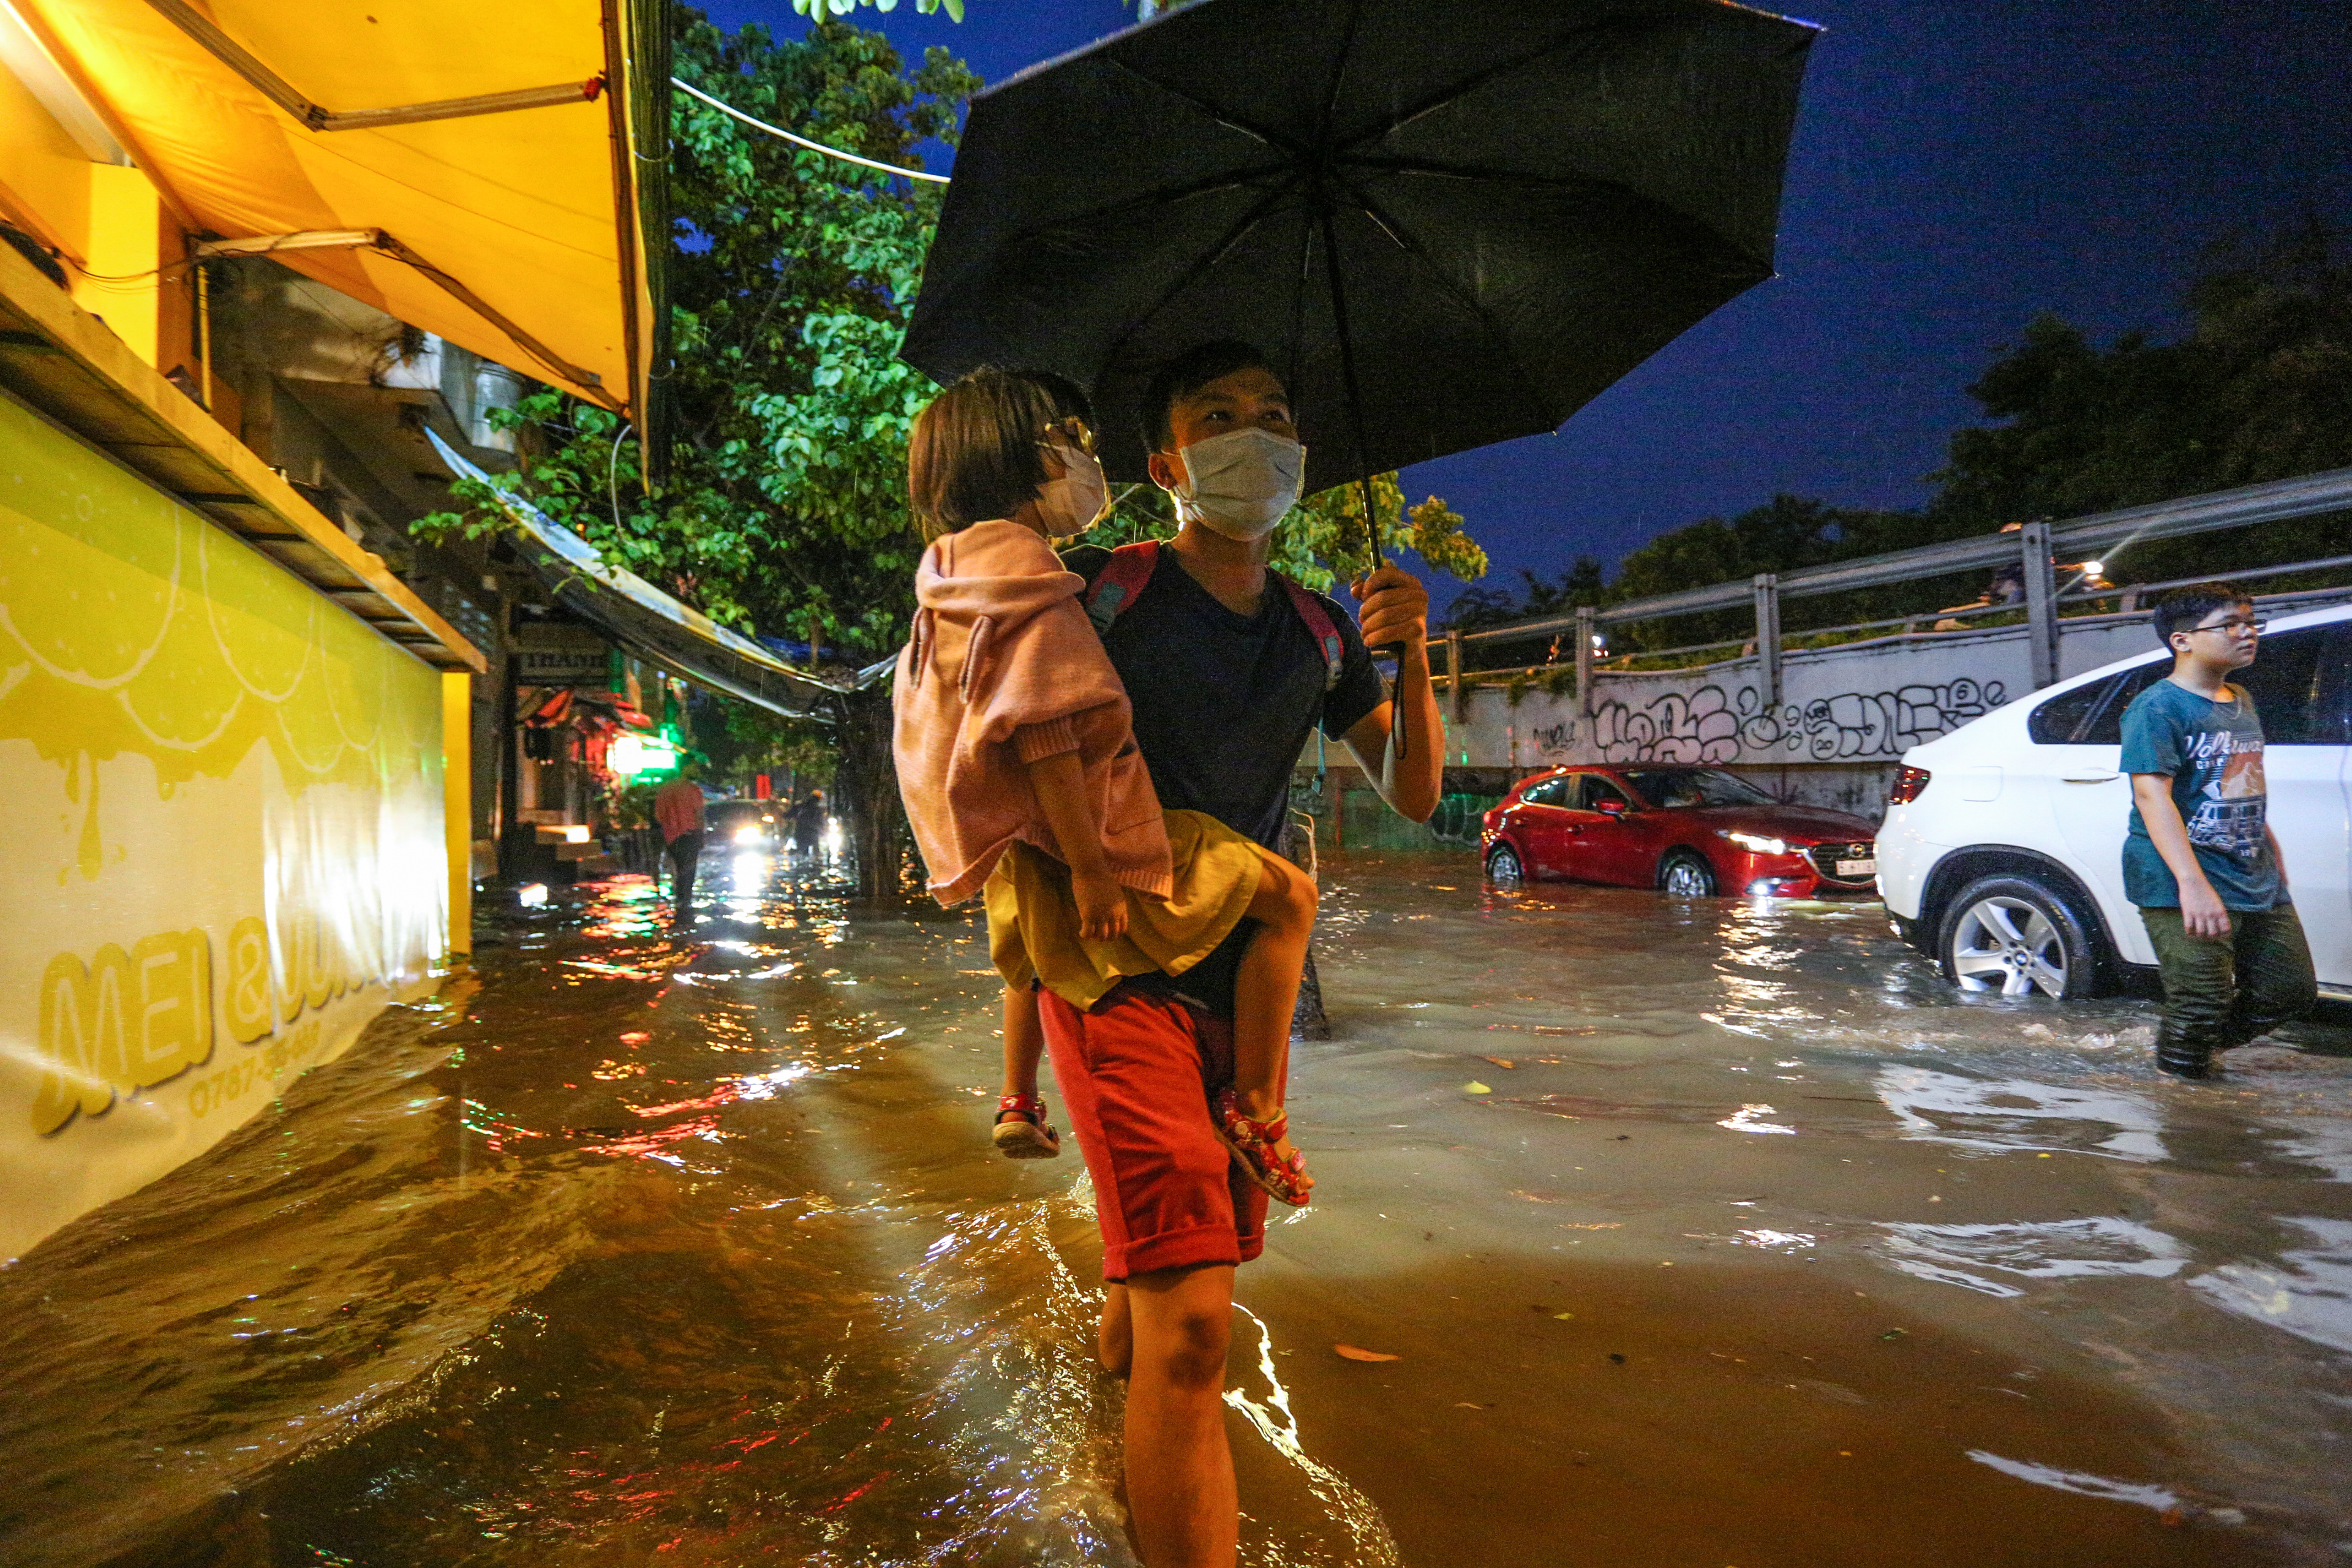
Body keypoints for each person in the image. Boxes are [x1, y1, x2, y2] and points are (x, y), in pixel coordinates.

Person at [1054, 341, 1441, 1568]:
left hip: (1248, 988)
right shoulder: (1099, 588)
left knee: (1159, 1307)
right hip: (1116, 969)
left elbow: (1417, 791)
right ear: (1170, 462)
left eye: (1273, 416)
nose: (1254, 435)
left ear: (1301, 460)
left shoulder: (1326, 630)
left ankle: (1098, 1436)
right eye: (1219, 416)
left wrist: (1413, 649)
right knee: (1197, 1332)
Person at [892, 367, 1317, 1208]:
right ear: (1018, 459)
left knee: (1027, 953)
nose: (1090, 463)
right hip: (1101, 831)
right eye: (1074, 445)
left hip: (1023, 834)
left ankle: (1017, 1095)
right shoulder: (1036, 579)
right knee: (1291, 898)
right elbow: (1048, 728)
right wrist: (1092, 868)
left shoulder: (956, 568)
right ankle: (1259, 1107)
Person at [2120, 583, 2318, 1079]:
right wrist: (2193, 885)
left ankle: (2187, 1059)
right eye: (2230, 624)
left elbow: (2236, 781)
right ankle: (2185, 1115)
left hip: (2251, 870)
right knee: (2201, 998)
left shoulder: (2240, 698)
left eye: (2250, 621)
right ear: (2182, 640)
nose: (2247, 632)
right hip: (2180, 876)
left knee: (2287, 991)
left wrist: (2269, 849)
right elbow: (2152, 796)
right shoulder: (2157, 707)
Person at [652, 762, 708, 927]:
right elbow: (699, 814)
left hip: (671, 838)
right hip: (690, 835)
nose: (697, 770)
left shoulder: (665, 790)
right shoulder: (693, 790)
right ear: (685, 767)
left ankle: (679, 902)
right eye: (694, 766)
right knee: (688, 872)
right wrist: (701, 835)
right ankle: (684, 905)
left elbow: (658, 816)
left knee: (678, 869)